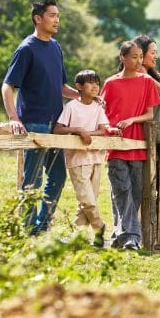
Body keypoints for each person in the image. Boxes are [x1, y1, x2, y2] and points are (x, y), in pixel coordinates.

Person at [1, 0, 81, 235]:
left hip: (56, 126)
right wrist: (14, 118)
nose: (57, 20)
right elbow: (8, 86)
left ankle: (41, 227)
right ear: (38, 18)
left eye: (58, 15)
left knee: (57, 178)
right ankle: (27, 230)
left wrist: (83, 97)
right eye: (52, 15)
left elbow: (61, 87)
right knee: (32, 181)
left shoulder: (56, 47)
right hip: (33, 124)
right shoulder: (26, 49)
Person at [101, 41, 160, 250]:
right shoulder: (110, 84)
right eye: (133, 57)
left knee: (134, 193)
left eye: (139, 56)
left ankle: (119, 235)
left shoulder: (147, 82)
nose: (137, 61)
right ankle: (132, 238)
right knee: (122, 191)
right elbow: (102, 114)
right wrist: (110, 128)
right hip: (116, 146)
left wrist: (132, 120)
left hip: (138, 147)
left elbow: (150, 114)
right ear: (123, 58)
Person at [53, 69, 117, 247]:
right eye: (90, 82)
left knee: (87, 202)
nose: (95, 86)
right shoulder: (71, 106)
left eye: (97, 82)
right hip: (77, 160)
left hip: (96, 159)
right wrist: (78, 130)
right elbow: (58, 129)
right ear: (79, 87)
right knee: (87, 200)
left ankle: (78, 237)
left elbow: (104, 129)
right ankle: (99, 227)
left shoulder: (97, 107)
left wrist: (88, 132)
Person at [132, 35, 160, 121]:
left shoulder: (158, 78)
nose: (156, 56)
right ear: (141, 54)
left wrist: (146, 76)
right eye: (153, 53)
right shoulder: (127, 76)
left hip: (152, 131)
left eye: (156, 53)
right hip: (130, 130)